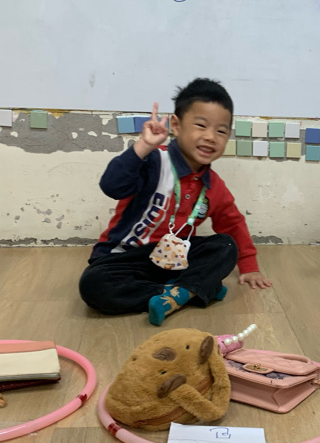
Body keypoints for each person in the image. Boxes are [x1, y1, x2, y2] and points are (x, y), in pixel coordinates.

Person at [79, 78, 272, 325]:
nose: (211, 137)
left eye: (221, 131)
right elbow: (111, 186)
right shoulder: (153, 162)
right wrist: (143, 147)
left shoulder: (214, 185)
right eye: (201, 125)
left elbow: (233, 224)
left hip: (174, 261)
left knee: (225, 245)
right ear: (176, 125)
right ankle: (193, 290)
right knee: (93, 285)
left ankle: (183, 290)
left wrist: (249, 266)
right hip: (126, 258)